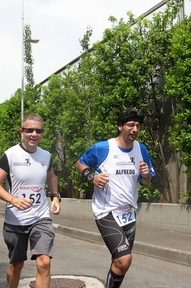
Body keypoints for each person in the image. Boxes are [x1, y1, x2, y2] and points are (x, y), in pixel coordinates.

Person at [76, 108, 155, 288]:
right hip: (106, 212)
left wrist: (145, 175)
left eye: (137, 125)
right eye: (130, 125)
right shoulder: (103, 148)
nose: (134, 129)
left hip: (129, 212)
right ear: (120, 127)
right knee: (124, 258)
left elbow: (147, 182)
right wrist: (92, 177)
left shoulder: (141, 149)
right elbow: (80, 163)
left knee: (120, 263)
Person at [0, 113, 61, 288]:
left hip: (41, 216)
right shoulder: (10, 155)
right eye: (29, 130)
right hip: (16, 220)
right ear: (22, 131)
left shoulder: (45, 156)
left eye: (38, 131)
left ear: (42, 133)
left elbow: (51, 177)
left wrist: (55, 197)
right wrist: (13, 200)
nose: (34, 134)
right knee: (16, 266)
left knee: (44, 262)